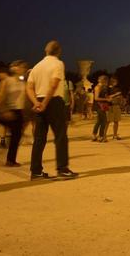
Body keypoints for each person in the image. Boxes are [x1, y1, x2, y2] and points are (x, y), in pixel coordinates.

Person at [26, 41, 78, 180]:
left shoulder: (36, 66)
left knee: (39, 138)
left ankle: (36, 171)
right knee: (60, 136)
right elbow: (54, 84)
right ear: (59, 51)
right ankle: (62, 168)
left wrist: (37, 102)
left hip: (39, 100)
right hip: (53, 101)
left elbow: (29, 87)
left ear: (45, 51)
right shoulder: (58, 64)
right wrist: (45, 103)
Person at [0, 61, 27, 167]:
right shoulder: (7, 81)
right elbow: (0, 98)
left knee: (16, 136)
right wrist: (4, 111)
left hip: (18, 111)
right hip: (8, 110)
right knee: (15, 135)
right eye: (21, 67)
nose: (24, 69)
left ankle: (10, 160)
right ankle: (10, 159)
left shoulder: (22, 82)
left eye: (24, 68)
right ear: (14, 68)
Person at [92, 75, 111, 142]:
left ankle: (94, 135)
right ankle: (101, 136)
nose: (107, 83)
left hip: (100, 105)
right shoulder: (98, 87)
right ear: (104, 81)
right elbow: (96, 98)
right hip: (99, 106)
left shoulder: (102, 87)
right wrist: (106, 99)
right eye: (106, 81)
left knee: (99, 121)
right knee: (104, 121)